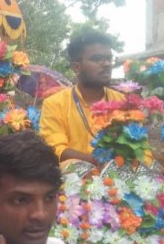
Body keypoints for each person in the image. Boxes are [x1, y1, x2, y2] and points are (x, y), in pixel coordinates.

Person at [40, 31, 124, 164]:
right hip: (74, 181)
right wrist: (100, 162)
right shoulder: (55, 104)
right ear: (76, 67)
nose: (107, 64)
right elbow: (56, 149)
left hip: (121, 179)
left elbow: (141, 148)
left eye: (109, 58)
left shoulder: (122, 102)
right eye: (97, 59)